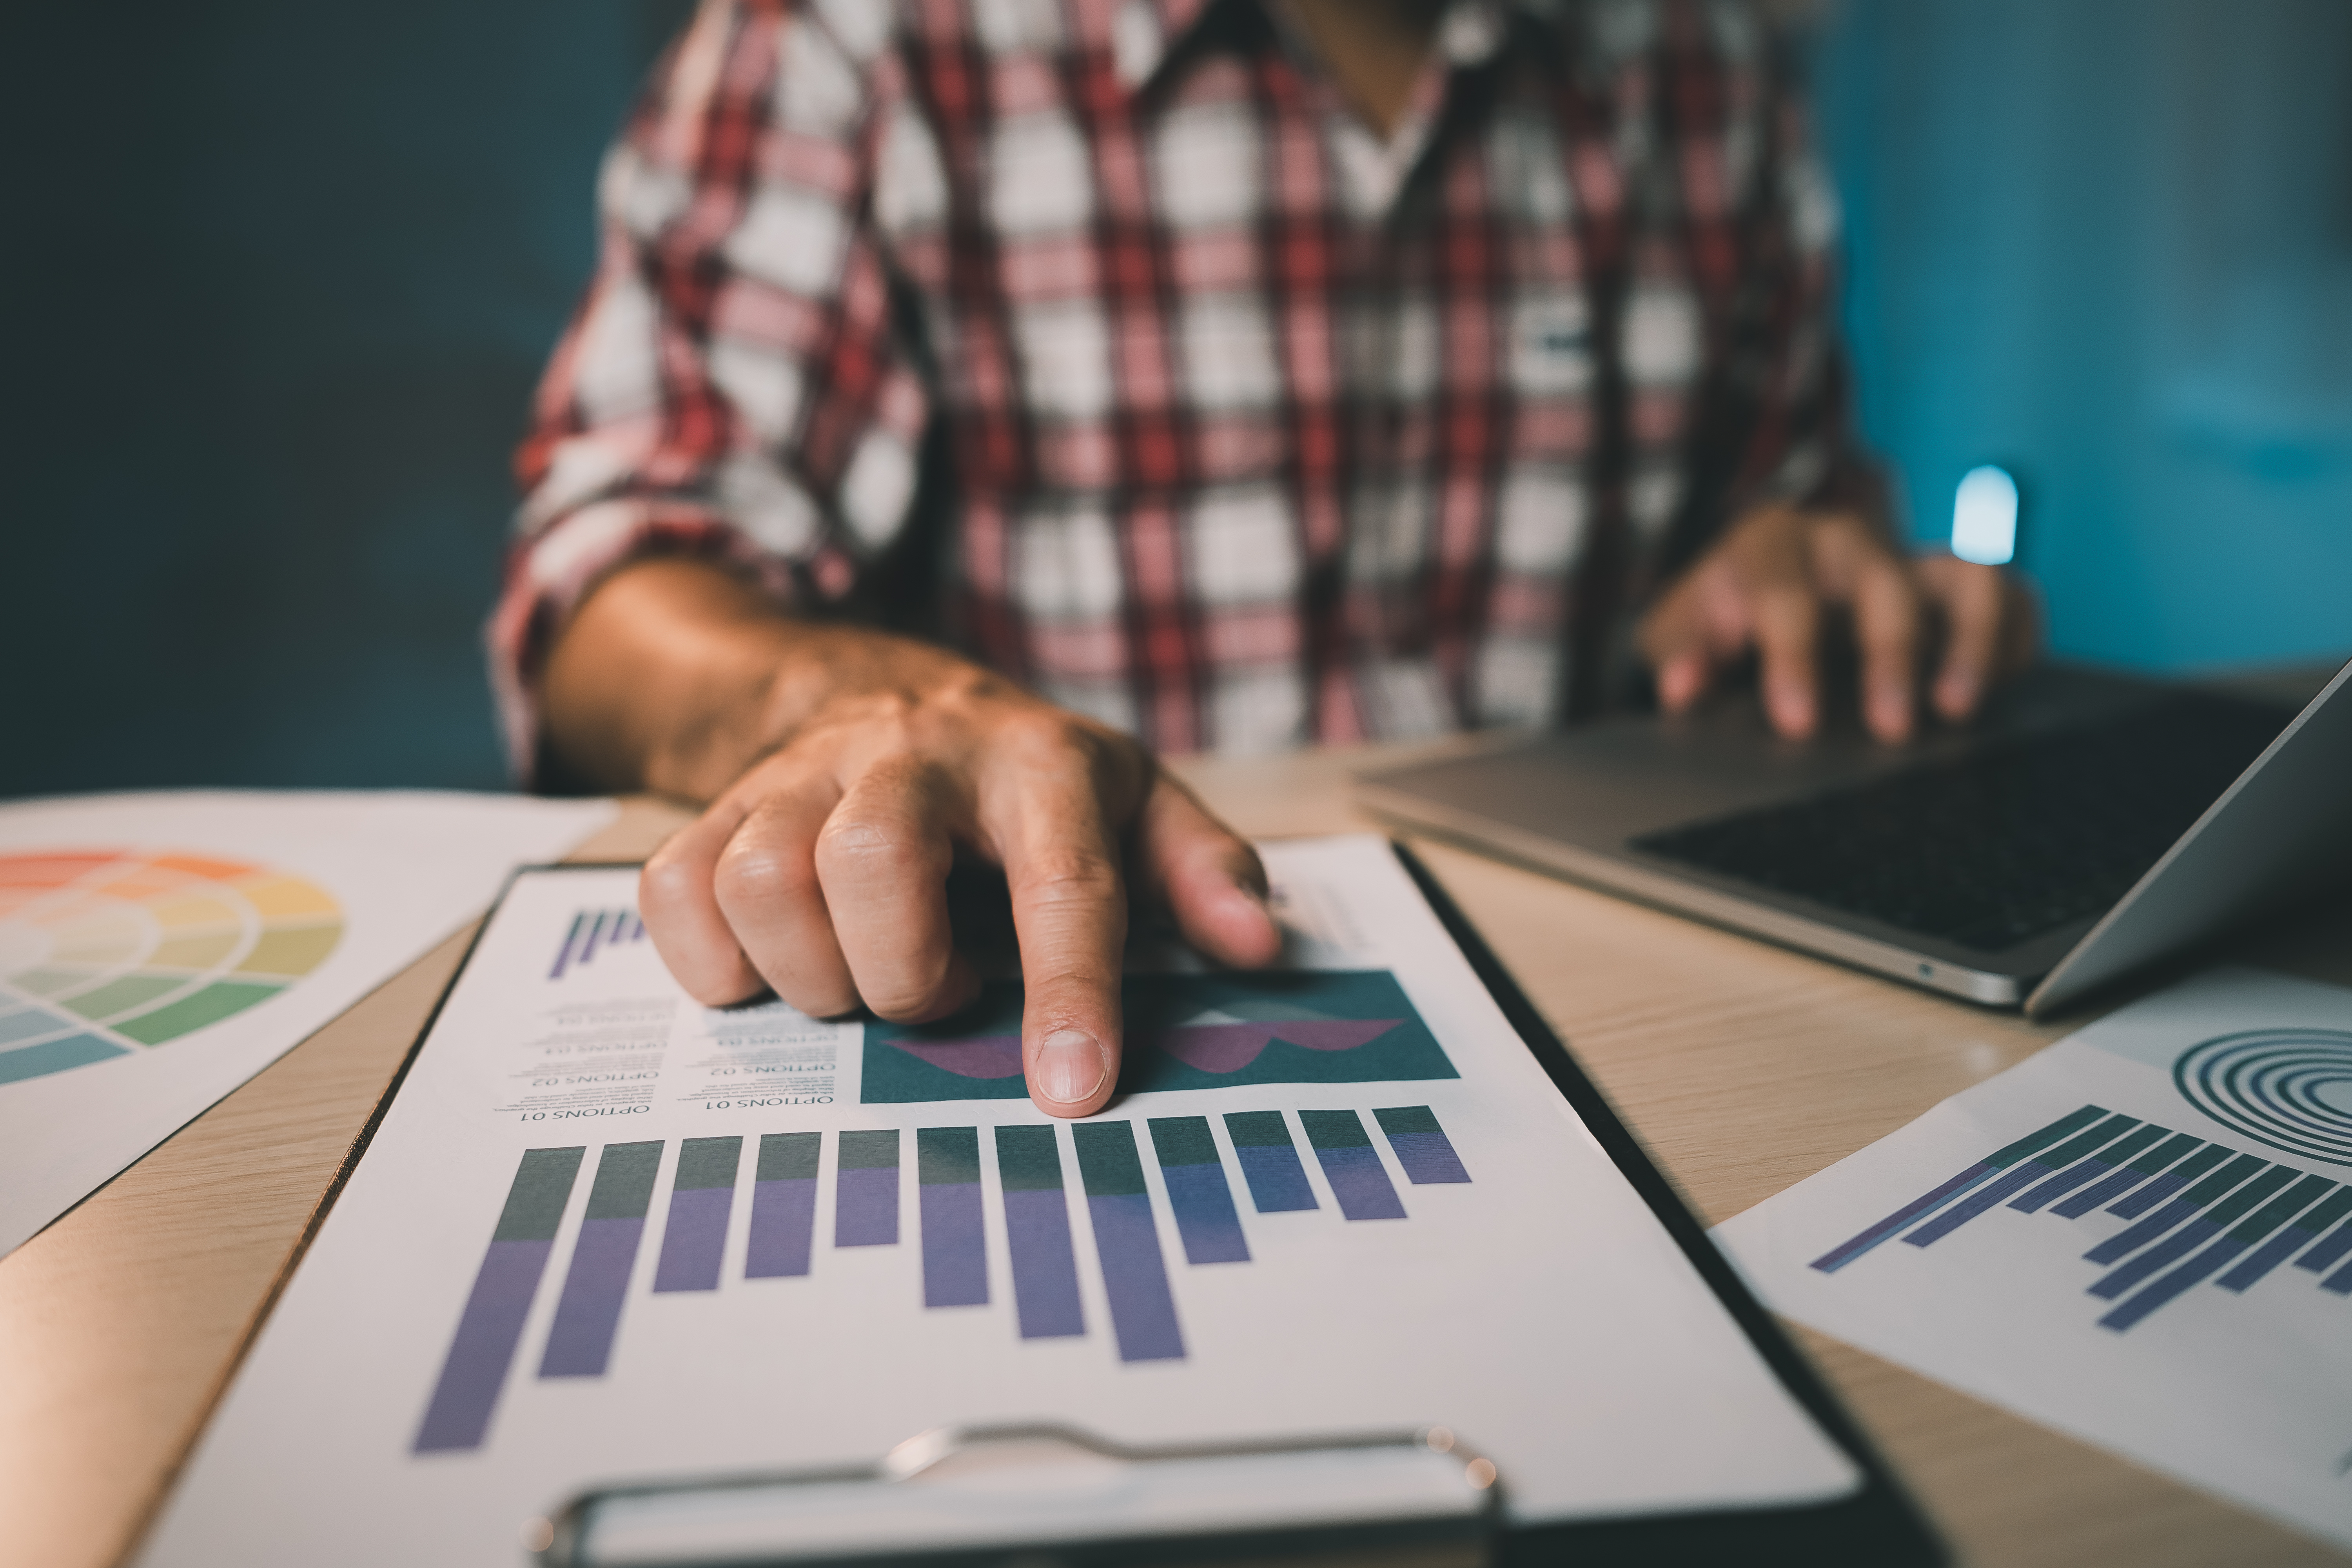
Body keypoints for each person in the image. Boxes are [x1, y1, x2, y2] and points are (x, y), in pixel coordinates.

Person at [493, 0, 2034, 1120]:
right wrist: (877, 704)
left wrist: (1809, 574)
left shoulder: (1712, 63)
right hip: (1071, 1010)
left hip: (1654, 1043)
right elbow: (606, 587)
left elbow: (1789, 506)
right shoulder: (853, 41)